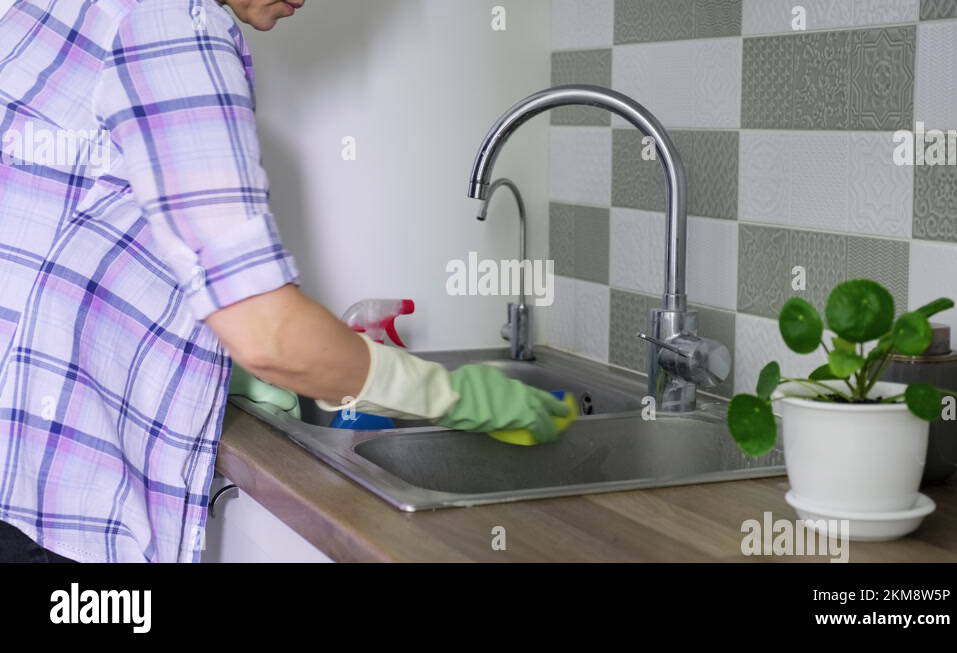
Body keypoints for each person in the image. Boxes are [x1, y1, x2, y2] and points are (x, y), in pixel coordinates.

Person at [0, 0, 566, 563]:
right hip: (46, 509)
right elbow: (270, 334)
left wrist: (217, 344)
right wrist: (455, 396)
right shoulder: (172, 24)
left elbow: (75, 227)